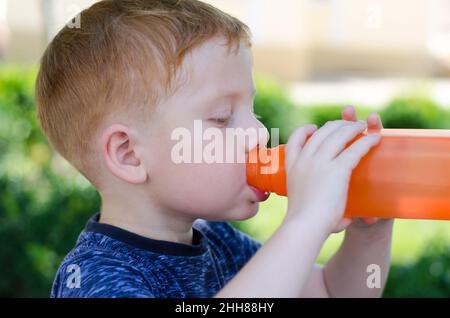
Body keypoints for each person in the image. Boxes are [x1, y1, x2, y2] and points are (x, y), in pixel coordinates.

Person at [35, 0, 393, 298]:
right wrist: (306, 220)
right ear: (129, 154)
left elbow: (330, 294)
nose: (258, 134)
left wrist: (367, 230)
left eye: (253, 111)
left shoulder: (219, 243)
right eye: (222, 118)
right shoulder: (95, 278)